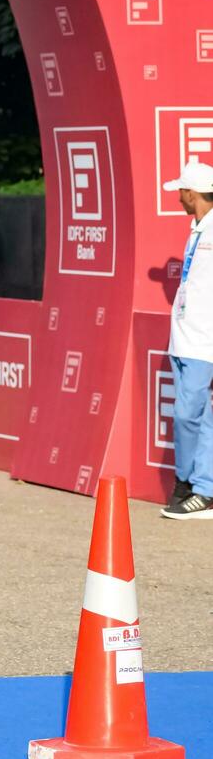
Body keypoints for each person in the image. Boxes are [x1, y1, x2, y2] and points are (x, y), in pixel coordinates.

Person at [161, 160, 213, 520]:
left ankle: (192, 485)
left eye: (180, 191)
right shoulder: (196, 229)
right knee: (201, 416)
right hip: (184, 338)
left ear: (191, 194)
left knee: (187, 414)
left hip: (203, 341)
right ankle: (201, 488)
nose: (178, 197)